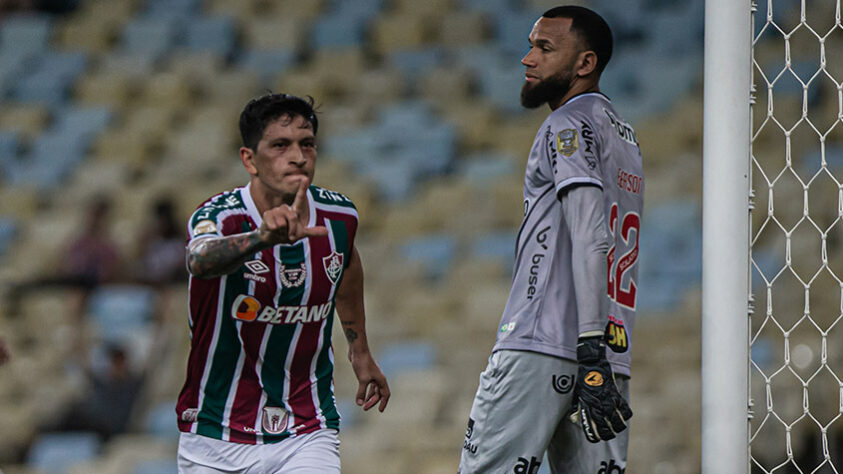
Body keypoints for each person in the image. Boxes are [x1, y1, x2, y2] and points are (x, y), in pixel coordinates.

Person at [459, 6, 643, 473]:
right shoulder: (624, 137)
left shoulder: (567, 125)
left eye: (544, 48)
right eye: (530, 45)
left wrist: (588, 347)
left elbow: (589, 235)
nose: (527, 59)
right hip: (609, 353)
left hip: (546, 344)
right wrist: (599, 353)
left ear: (584, 64)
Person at [175, 93, 390, 473]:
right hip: (214, 434)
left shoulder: (339, 216)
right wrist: (260, 239)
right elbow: (199, 260)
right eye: (280, 145)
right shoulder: (219, 216)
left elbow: (347, 265)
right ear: (249, 159)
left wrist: (359, 348)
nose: (298, 156)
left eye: (306, 144)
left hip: (306, 427)